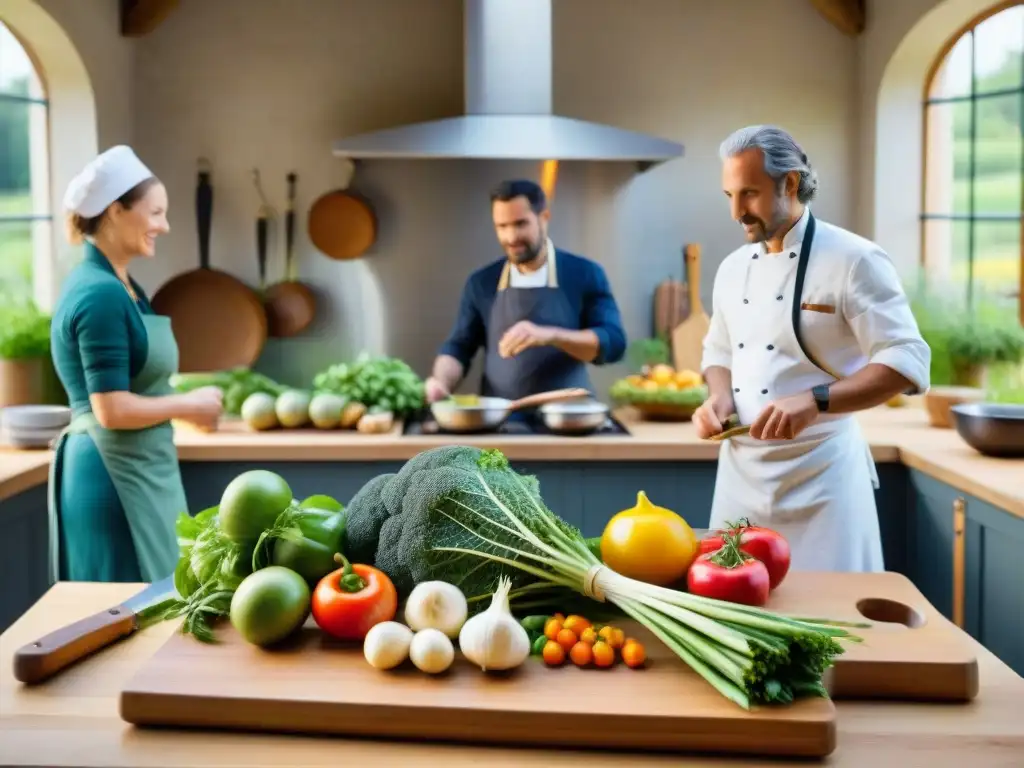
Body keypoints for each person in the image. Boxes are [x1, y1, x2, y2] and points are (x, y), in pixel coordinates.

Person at [693, 125, 931, 573]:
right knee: (741, 617)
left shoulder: (855, 259)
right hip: (741, 477)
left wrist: (816, 401)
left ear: (791, 183)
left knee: (835, 622)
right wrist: (718, 396)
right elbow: (719, 351)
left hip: (822, 478)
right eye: (729, 195)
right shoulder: (731, 269)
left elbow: (906, 359)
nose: (736, 212)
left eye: (749, 193)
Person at [47, 145, 223, 584]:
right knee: (125, 614)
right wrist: (189, 406)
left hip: (139, 467)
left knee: (158, 604)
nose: (164, 225)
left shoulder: (121, 283)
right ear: (114, 211)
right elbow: (110, 408)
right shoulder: (99, 293)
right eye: (156, 212)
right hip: (113, 477)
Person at [424, 179, 627, 403]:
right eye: (502, 226)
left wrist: (551, 335)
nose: (511, 237)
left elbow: (614, 343)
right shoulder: (481, 283)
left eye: (521, 224)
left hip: (569, 420)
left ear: (544, 219)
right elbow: (459, 348)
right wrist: (440, 381)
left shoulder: (585, 273)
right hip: (500, 420)